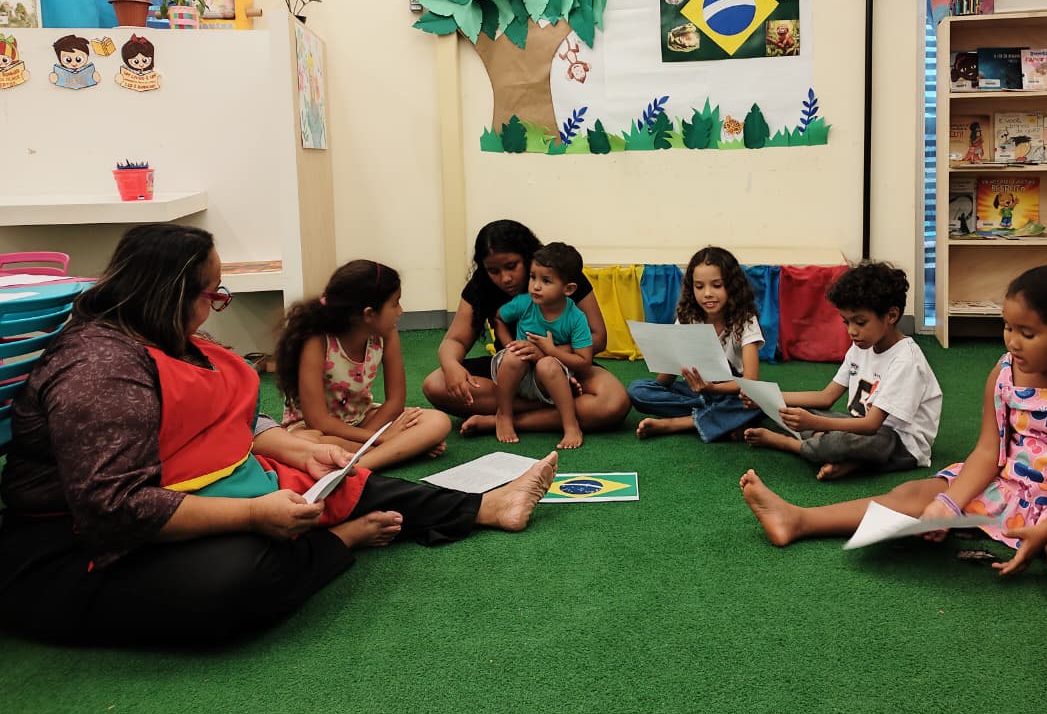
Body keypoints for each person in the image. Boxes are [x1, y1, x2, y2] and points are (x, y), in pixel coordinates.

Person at [0, 224, 558, 646]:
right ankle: (339, 542)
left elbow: (239, 422)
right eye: (213, 296)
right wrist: (251, 514)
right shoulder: (100, 369)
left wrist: (303, 450)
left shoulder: (169, 338)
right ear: (171, 295)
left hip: (196, 486)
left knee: (337, 478)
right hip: (78, 547)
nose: (216, 308)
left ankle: (484, 508)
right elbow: (115, 508)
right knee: (239, 578)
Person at [739, 264, 1047, 679]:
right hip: (1009, 484)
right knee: (914, 495)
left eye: (1027, 333)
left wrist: (1046, 531)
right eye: (1007, 328)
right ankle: (799, 520)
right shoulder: (1005, 371)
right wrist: (949, 503)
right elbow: (987, 453)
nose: (1012, 341)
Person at [422, 220, 629, 435]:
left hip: (563, 365)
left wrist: (548, 352)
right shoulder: (481, 285)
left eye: (512, 266)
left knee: (614, 401)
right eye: (493, 271)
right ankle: (556, 403)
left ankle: (504, 420)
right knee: (436, 384)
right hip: (512, 370)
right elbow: (455, 339)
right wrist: (451, 366)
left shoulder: (561, 273)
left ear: (528, 257)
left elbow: (598, 336)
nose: (505, 278)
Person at [744, 261, 942, 480]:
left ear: (891, 316)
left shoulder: (906, 360)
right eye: (846, 322)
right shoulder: (861, 346)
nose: (852, 331)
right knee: (787, 411)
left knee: (840, 441)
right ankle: (848, 461)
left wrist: (814, 423)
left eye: (860, 322)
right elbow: (825, 397)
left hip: (898, 442)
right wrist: (766, 398)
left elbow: (871, 425)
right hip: (857, 425)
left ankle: (790, 444)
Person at [275, 259, 451, 471]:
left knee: (437, 421)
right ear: (369, 314)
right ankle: (395, 450)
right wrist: (381, 438)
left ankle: (356, 465)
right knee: (309, 442)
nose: (401, 311)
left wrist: (375, 435)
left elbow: (395, 401)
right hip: (316, 430)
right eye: (395, 303)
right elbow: (318, 421)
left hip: (363, 420)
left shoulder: (387, 333)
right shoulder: (316, 340)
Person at [629, 246, 764, 441]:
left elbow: (751, 381)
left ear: (733, 286)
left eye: (716, 285)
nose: (707, 293)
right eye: (699, 287)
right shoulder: (688, 317)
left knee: (756, 400)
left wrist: (713, 389)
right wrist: (658, 386)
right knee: (638, 390)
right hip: (696, 390)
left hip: (730, 390)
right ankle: (720, 418)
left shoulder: (745, 319)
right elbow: (671, 371)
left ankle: (678, 423)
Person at [491, 242, 593, 450]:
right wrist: (509, 344)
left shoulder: (576, 317)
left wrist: (551, 351)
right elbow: (498, 318)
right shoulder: (524, 303)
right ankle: (504, 414)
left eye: (546, 281)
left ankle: (570, 425)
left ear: (568, 289)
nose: (535, 286)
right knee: (514, 356)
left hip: (548, 379)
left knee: (547, 364)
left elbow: (584, 361)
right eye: (533, 277)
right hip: (517, 373)